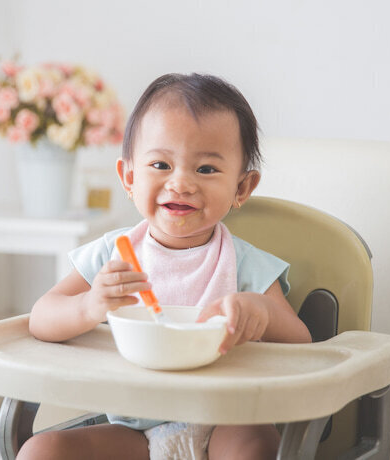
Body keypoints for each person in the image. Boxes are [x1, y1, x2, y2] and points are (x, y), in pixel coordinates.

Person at [20, 73, 312, 460]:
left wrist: (261, 312)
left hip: (227, 421)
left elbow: (303, 345)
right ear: (129, 176)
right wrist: (89, 306)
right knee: (42, 451)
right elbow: (41, 318)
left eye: (206, 169)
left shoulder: (246, 264)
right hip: (134, 431)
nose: (181, 183)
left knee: (256, 449)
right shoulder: (112, 254)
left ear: (242, 188)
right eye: (160, 164)